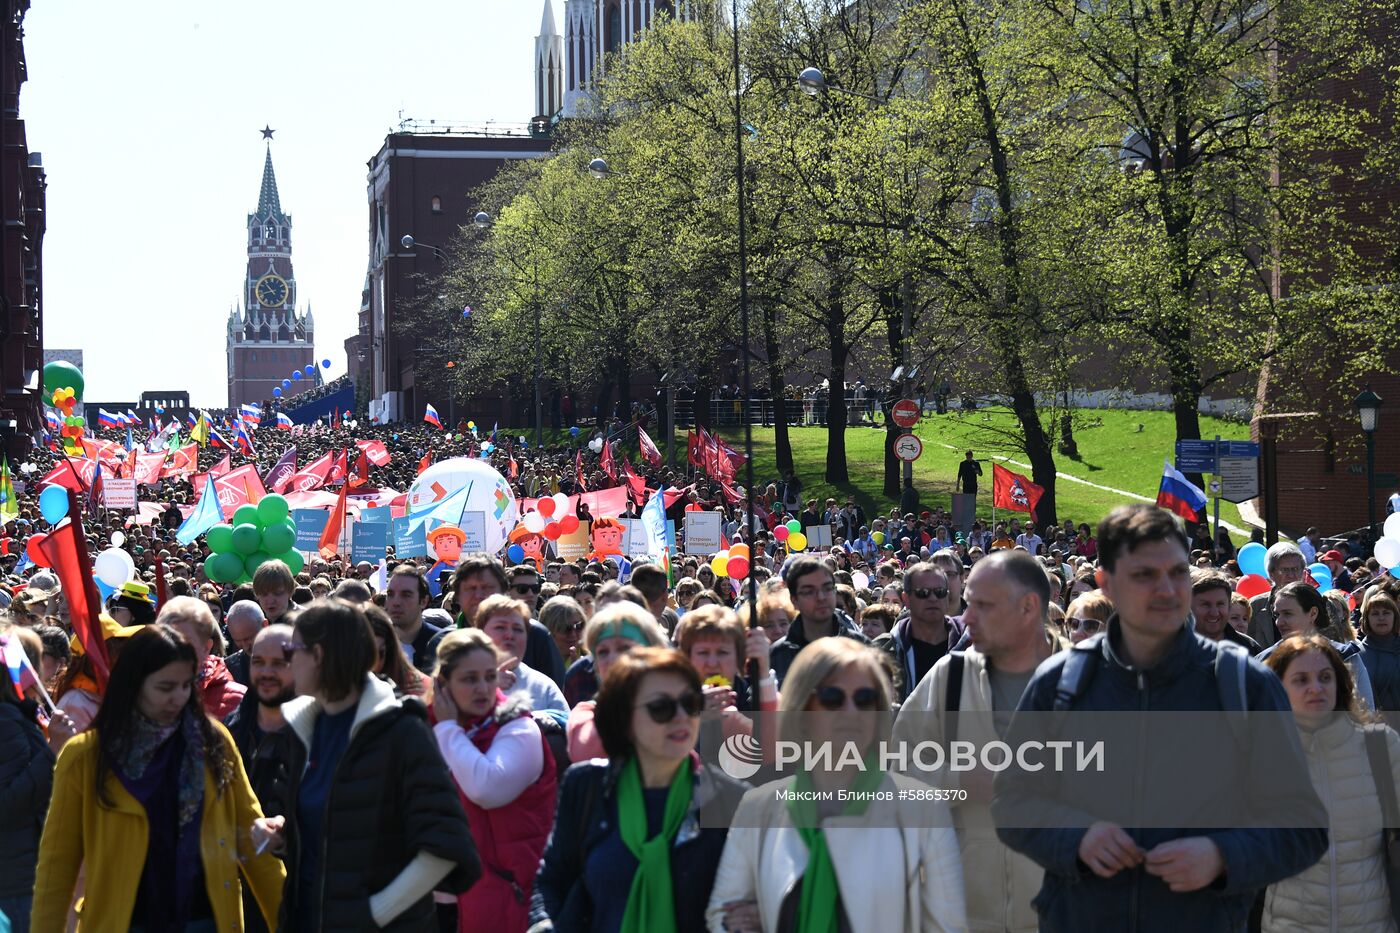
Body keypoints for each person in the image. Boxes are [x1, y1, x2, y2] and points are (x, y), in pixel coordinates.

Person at [992, 503, 1329, 932]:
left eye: (1176, 572)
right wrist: (1074, 838)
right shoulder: (1062, 684)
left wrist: (1222, 856)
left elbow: (1304, 827)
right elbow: (1012, 801)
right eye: (1144, 575)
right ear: (1106, 584)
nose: (1167, 590)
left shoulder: (1243, 684)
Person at [31, 625, 285, 932]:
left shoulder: (213, 740)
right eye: (165, 687)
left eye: (185, 686)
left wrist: (286, 919)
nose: (177, 698)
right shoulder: (85, 756)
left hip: (205, 921)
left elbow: (252, 837)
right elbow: (57, 866)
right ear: (133, 684)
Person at [251, 598, 481, 931]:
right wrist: (284, 834)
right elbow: (338, 821)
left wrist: (374, 914)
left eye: (293, 650)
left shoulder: (402, 732)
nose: (287, 662)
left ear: (319, 657)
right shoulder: (305, 727)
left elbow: (446, 847)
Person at [710, 638, 968, 933]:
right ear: (802, 707)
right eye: (832, 697)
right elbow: (721, 913)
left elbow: (949, 927)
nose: (851, 711)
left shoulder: (924, 809)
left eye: (865, 699)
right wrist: (738, 924)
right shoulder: (759, 807)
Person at [894, 550, 1067, 933]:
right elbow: (898, 771)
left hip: (1064, 915)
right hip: (961, 916)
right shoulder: (949, 677)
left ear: (1028, 607)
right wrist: (959, 782)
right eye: (968, 603)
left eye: (983, 606)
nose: (966, 617)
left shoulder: (1089, 681)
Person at [531, 647, 747, 933]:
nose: (681, 716)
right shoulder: (586, 786)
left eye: (690, 703)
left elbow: (745, 900)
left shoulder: (730, 799)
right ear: (625, 719)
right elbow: (549, 881)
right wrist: (544, 925)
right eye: (661, 708)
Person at [1261, 634, 1400, 932]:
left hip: (1371, 923)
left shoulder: (1381, 746)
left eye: (1325, 677)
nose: (1316, 688)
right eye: (1301, 680)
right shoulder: (1259, 756)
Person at [431, 629, 557, 933]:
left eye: (489, 676)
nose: (483, 688)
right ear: (443, 685)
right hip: (445, 901)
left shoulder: (519, 728)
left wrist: (448, 730)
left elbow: (487, 788)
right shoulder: (428, 725)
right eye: (470, 678)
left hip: (508, 898)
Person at [222, 624, 297, 933]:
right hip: (235, 894)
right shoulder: (227, 732)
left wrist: (289, 834)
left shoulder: (320, 736)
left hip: (296, 897)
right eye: (258, 661)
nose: (267, 671)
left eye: (280, 663)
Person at [0, 625, 54, 933]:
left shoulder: (17, 713)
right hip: (16, 878)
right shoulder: (6, 720)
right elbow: (8, 802)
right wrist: (54, 751)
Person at [566, 603, 670, 759]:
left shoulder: (678, 705)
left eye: (625, 648)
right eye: (602, 652)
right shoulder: (585, 714)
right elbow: (588, 748)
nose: (612, 659)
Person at [1258, 581, 1376, 710]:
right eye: (1277, 615)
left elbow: (1365, 712)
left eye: (1288, 614)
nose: (1279, 622)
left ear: (1313, 613)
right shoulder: (1265, 661)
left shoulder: (1345, 657)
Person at [770, 556, 868, 686]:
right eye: (809, 591)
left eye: (827, 588)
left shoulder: (860, 647)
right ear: (794, 601)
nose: (821, 597)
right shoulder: (778, 656)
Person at [873, 561, 963, 701]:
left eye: (939, 592)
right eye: (923, 593)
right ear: (906, 599)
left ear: (947, 597)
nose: (933, 598)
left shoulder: (970, 644)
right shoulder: (883, 650)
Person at [473, 594, 567, 713]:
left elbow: (566, 727)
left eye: (518, 629)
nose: (510, 635)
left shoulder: (544, 687)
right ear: (480, 633)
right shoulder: (458, 680)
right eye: (500, 627)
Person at [158, 595, 247, 720]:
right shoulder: (146, 694)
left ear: (206, 647)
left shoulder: (237, 701)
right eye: (167, 639)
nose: (173, 648)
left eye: (183, 642)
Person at [1248, 542, 1308, 648]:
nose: (1291, 575)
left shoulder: (1317, 603)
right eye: (1285, 570)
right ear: (1271, 574)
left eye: (1295, 569)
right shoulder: (1256, 606)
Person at [386, 566, 441, 674]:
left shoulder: (442, 645)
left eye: (406, 595)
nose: (396, 602)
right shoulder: (373, 643)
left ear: (424, 601)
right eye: (390, 594)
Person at [1190, 569, 1261, 653]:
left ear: (1229, 606)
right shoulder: (1173, 647)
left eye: (1220, 604)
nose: (1214, 613)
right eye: (1205, 604)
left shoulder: (1249, 648)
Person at [1359, 590, 1400, 712]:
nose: (1381, 618)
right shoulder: (1358, 654)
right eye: (1375, 614)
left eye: (1386, 613)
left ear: (1395, 617)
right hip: (1373, 726)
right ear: (1367, 618)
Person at [222, 599, 266, 688]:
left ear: (265, 625)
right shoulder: (229, 668)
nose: (245, 647)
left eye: (249, 639)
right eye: (238, 641)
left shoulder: (290, 658)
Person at [538, 594, 587, 670]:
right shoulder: (533, 663)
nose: (573, 634)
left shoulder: (593, 662)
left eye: (579, 626)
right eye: (565, 628)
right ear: (547, 630)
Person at [252, 559, 294, 624]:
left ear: (290, 592)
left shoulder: (305, 625)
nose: (270, 600)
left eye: (277, 593)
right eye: (264, 594)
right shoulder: (253, 624)